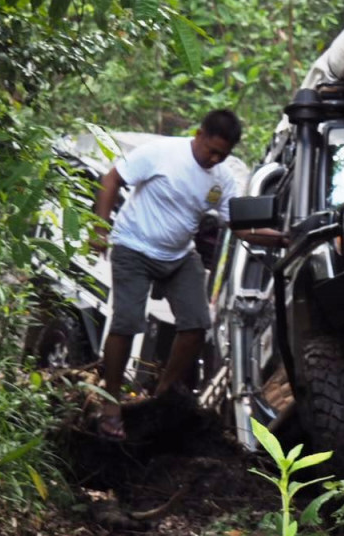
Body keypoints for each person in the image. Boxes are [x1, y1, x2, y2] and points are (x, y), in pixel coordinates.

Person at [89, 110, 284, 441]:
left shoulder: (221, 179)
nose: (214, 158)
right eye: (211, 150)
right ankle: (110, 402)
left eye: (223, 155)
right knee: (126, 322)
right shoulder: (162, 153)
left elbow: (239, 227)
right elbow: (112, 179)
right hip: (133, 247)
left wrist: (281, 237)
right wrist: (99, 227)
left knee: (196, 324)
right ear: (199, 134)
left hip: (178, 256)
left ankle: (163, 394)